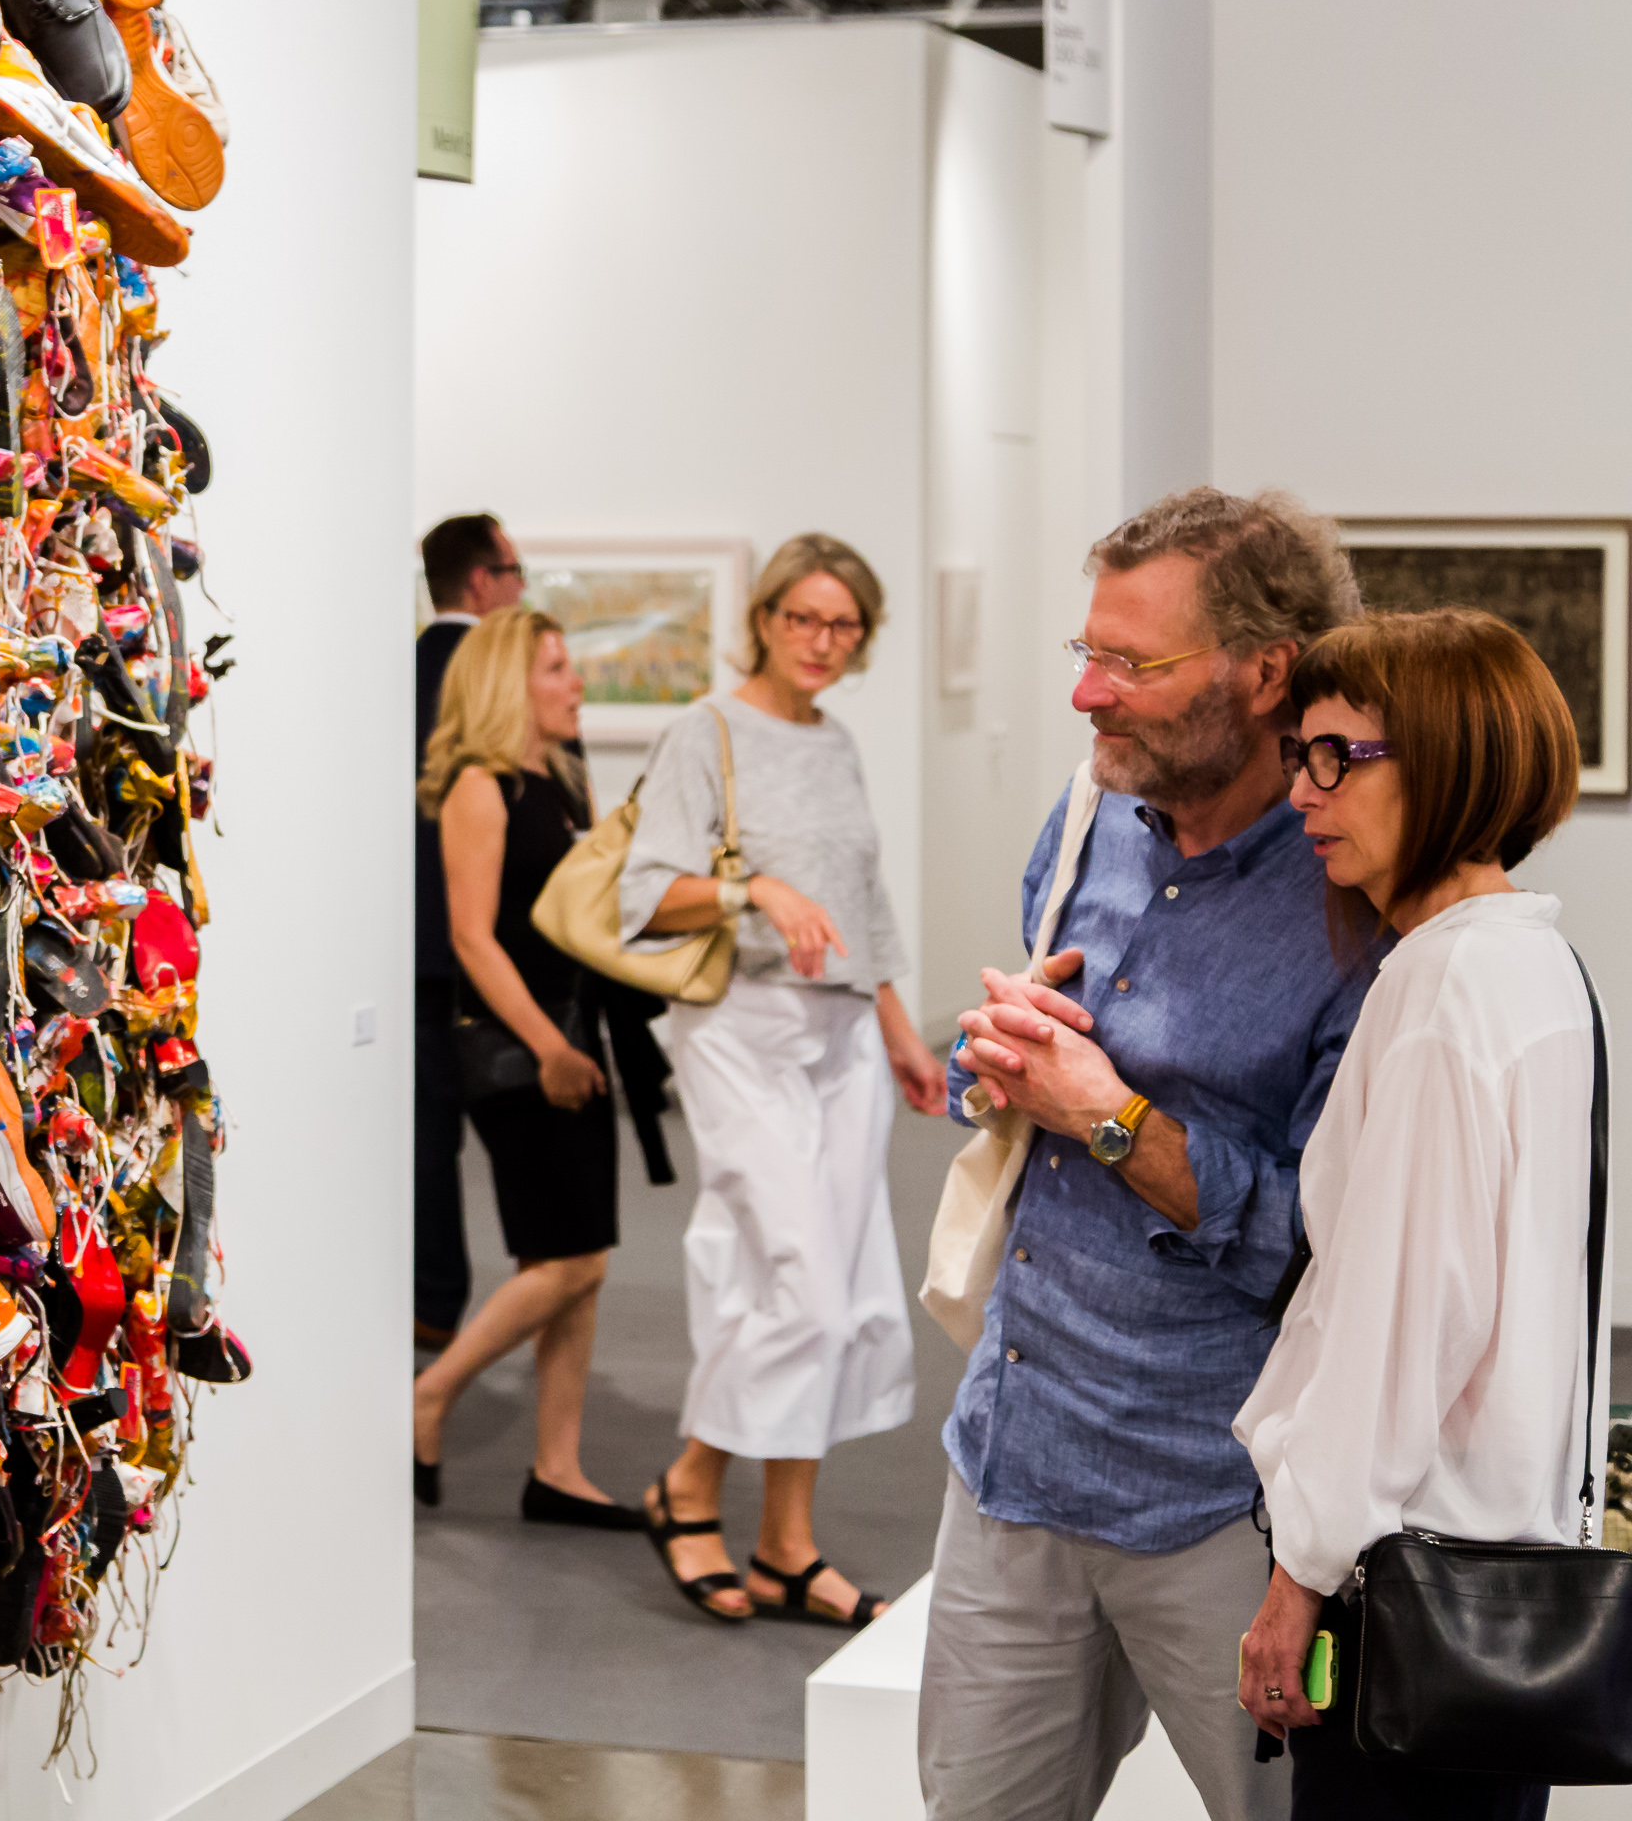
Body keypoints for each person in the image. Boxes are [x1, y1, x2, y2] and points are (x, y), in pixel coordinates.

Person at [925, 487, 1370, 1821]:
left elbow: (1319, 1252)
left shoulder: (1354, 898)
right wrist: (995, 1064)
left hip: (1220, 1502)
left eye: (1132, 662)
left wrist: (1109, 1115)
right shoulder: (1086, 821)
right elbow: (1021, 1089)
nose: (1088, 695)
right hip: (1013, 1455)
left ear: (1267, 672)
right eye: (1088, 652)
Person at [1232, 610, 1592, 1820]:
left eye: (1338, 756)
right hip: (1500, 1576)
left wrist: (1299, 1578)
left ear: (1448, 761)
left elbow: (1397, 1327)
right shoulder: (1535, 964)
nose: (1303, 791)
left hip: (1409, 1587)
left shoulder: (1446, 987)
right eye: (1301, 755)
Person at [617, 535, 947, 1625]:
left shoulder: (836, 741)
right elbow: (644, 895)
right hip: (739, 1027)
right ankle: (689, 1485)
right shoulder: (704, 732)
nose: (821, 640)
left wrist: (898, 1027)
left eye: (844, 625)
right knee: (798, 1278)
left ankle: (786, 1545)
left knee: (838, 1282)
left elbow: (864, 900)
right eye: (802, 617)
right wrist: (756, 889)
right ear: (763, 619)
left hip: (844, 1033)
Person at [408, 607, 652, 1531]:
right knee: (573, 1260)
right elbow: (473, 939)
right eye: (555, 668)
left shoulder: (560, 779)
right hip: (522, 1052)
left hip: (571, 1040)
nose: (575, 683)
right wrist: (550, 1047)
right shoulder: (482, 786)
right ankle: (431, 1394)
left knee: (571, 1258)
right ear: (508, 683)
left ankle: (558, 1467)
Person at [418, 512, 526, 1352]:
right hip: (494, 952)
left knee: (427, 1145)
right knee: (528, 1145)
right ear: (484, 581)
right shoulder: (500, 682)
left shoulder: (400, 670)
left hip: (413, 948)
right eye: (516, 574)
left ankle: (433, 1304)